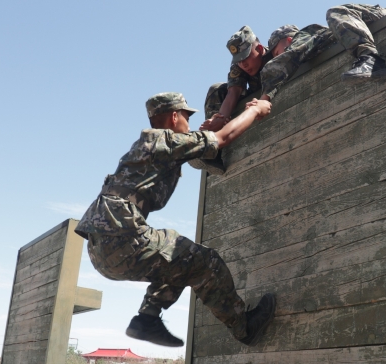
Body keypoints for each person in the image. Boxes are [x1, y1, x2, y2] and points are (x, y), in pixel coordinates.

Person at [75, 92, 276, 347]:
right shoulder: (161, 141)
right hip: (122, 241)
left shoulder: (151, 147)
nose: (188, 124)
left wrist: (212, 127)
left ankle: (146, 320)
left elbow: (200, 143)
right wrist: (256, 110)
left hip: (103, 253)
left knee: (178, 258)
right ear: (173, 116)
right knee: (205, 260)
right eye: (186, 117)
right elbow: (222, 139)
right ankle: (244, 327)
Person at [261, 4, 386, 101]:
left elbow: (286, 59)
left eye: (277, 52)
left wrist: (264, 98)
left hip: (379, 16)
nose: (278, 56)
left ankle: (371, 59)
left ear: (290, 40)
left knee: (334, 12)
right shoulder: (308, 54)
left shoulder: (304, 35)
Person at [189, 26, 273, 175]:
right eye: (239, 60)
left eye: (246, 57)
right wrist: (219, 118)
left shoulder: (275, 57)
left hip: (269, 96)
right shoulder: (239, 65)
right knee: (217, 88)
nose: (243, 64)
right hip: (252, 99)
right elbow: (233, 92)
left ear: (259, 48)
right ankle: (213, 151)